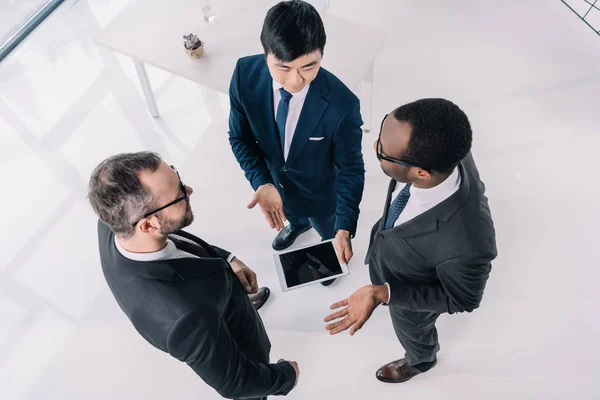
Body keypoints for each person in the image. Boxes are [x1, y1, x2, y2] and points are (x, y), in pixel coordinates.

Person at [88, 152, 299, 400]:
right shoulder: (187, 318)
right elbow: (237, 382)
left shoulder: (115, 223)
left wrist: (227, 261)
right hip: (239, 346)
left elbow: (175, 242)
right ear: (147, 225)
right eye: (179, 194)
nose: (189, 189)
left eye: (178, 178)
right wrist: (287, 376)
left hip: (219, 303)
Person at [324, 99, 498, 383]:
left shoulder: (469, 246)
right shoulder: (442, 147)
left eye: (383, 151)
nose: (375, 147)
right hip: (395, 251)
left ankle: (421, 361)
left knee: (412, 332)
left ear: (421, 173)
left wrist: (384, 294)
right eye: (381, 134)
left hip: (408, 292)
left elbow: (462, 299)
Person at [228, 0, 365, 285]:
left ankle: (327, 249)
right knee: (295, 216)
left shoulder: (343, 104)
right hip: (276, 186)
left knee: (327, 232)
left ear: (321, 55)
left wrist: (344, 228)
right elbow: (240, 137)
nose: (295, 80)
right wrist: (262, 182)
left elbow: (351, 167)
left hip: (323, 196)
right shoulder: (244, 74)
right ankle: (298, 226)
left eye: (308, 67)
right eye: (283, 68)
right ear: (265, 53)